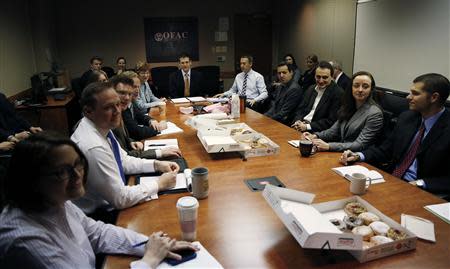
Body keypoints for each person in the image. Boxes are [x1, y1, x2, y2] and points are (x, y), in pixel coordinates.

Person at [0, 132, 197, 269]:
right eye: (62, 172)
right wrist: (149, 260)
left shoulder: (53, 199)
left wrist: (150, 244)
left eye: (77, 164)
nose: (77, 175)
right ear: (31, 179)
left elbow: (96, 232)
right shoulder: (24, 241)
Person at [71, 82, 179, 219]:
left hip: (114, 204)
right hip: (102, 216)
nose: (117, 111)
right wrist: (159, 184)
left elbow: (123, 161)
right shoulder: (93, 146)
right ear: (88, 111)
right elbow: (120, 199)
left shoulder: (101, 127)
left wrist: (156, 164)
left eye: (117, 104)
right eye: (108, 107)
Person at [340, 73, 450, 199]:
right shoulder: (407, 117)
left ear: (434, 97)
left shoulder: (446, 128)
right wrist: (358, 155)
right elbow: (385, 150)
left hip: (425, 193)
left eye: (415, 93)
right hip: (392, 180)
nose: (408, 97)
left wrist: (421, 183)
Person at [303, 71, 383, 152]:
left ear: (371, 89)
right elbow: (332, 131)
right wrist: (315, 136)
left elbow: (360, 144)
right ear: (351, 87)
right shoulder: (348, 106)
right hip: (341, 152)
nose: (360, 90)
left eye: (365, 86)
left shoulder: (375, 113)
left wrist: (329, 146)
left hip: (357, 157)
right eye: (356, 86)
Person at [111, 75, 180, 159]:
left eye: (129, 93)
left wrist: (130, 142)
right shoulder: (112, 117)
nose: (127, 97)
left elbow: (138, 116)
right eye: (122, 93)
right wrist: (158, 129)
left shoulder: (123, 107)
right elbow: (125, 158)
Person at [291, 61, 344, 132]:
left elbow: (331, 121)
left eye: (325, 77)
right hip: (300, 127)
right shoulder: (311, 88)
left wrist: (307, 126)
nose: (321, 81)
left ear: (331, 77)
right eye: (318, 77)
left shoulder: (338, 93)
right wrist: (297, 121)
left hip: (316, 132)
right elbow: (300, 109)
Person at [120, 72, 167, 140]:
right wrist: (159, 128)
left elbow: (139, 115)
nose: (137, 90)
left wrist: (151, 120)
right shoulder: (122, 106)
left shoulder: (130, 102)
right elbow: (136, 132)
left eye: (138, 87)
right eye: (134, 87)